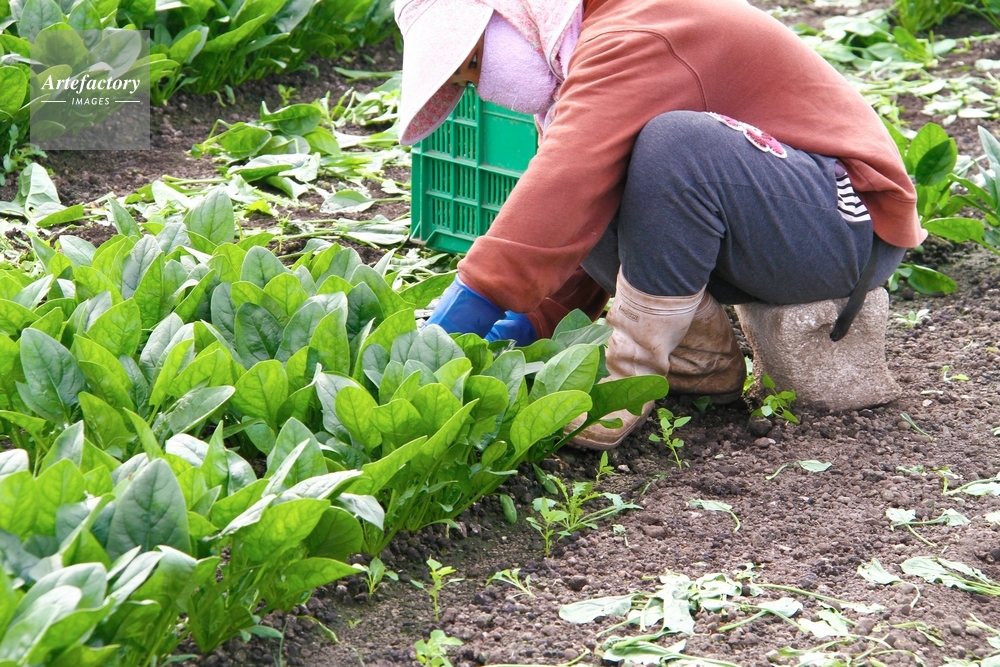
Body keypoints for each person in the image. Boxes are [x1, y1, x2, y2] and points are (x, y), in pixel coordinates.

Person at [394, 0, 924, 449]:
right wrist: (531, 321)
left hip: (845, 223)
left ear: (512, 17)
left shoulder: (635, 32)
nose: (482, 87)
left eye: (474, 62)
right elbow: (576, 203)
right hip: (770, 227)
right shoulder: (585, 48)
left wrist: (465, 310)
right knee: (597, 171)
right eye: (466, 82)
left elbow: (566, 179)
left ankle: (631, 375)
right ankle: (701, 361)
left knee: (674, 146)